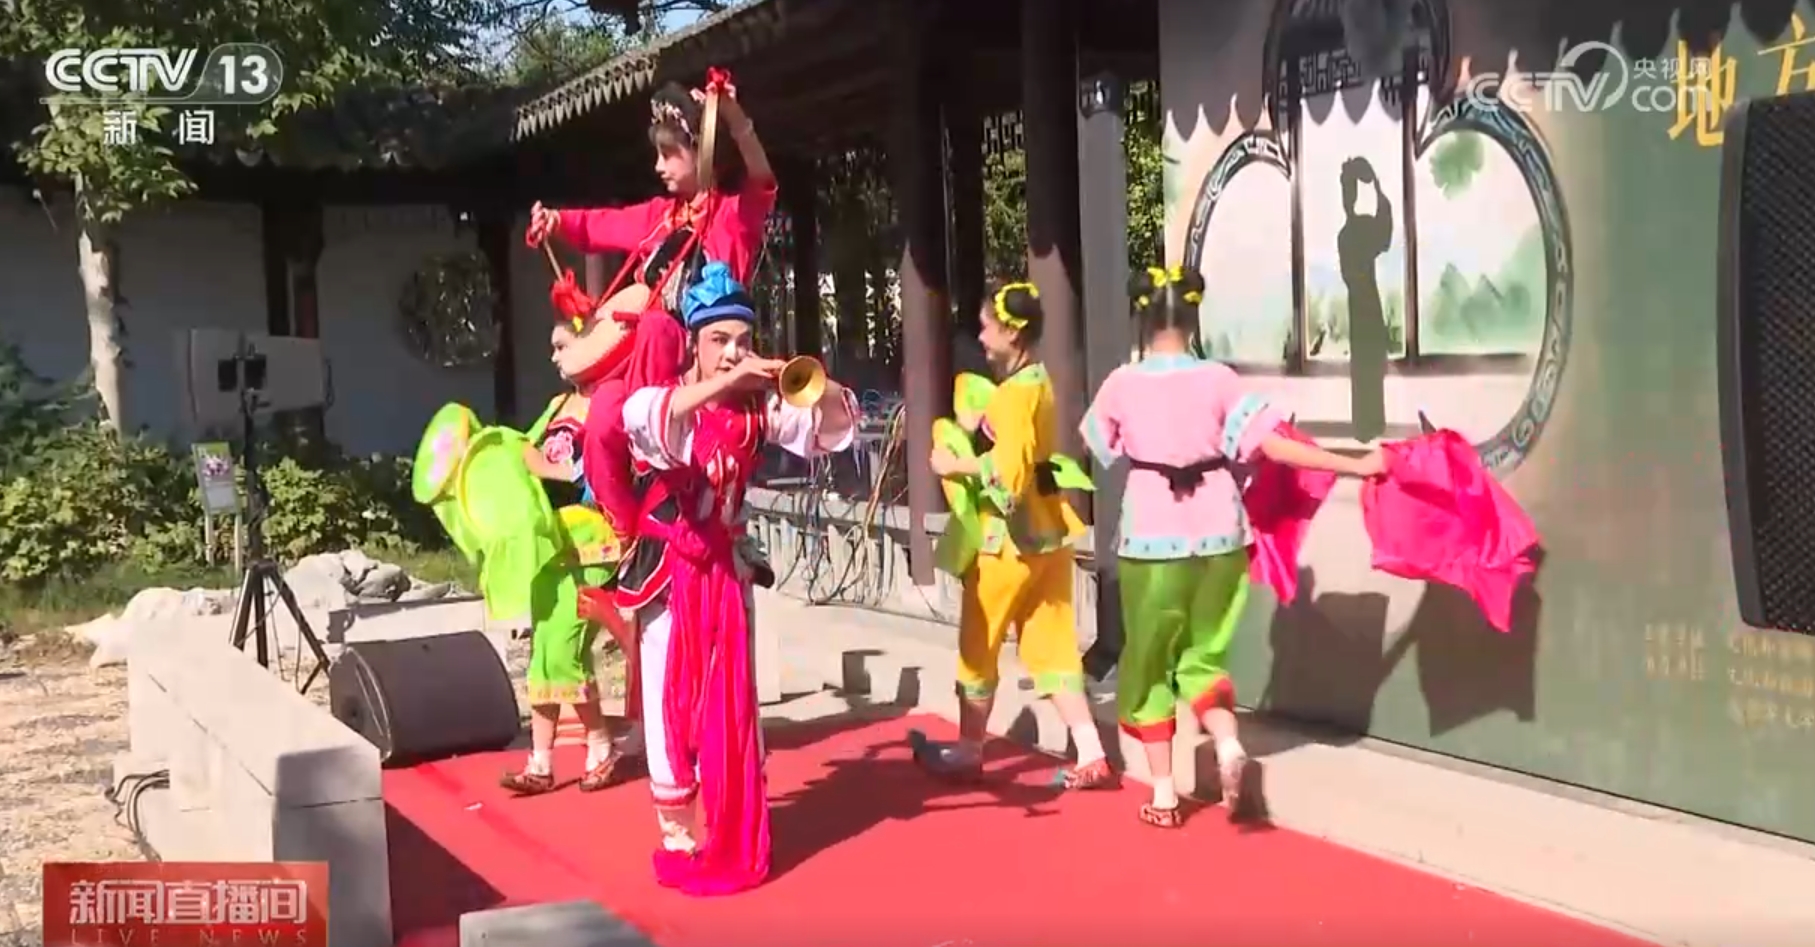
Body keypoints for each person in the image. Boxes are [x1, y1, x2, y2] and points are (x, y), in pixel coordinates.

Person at [1080, 265, 1384, 828]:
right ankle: (1226, 743)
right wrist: (1356, 464)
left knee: (1149, 665)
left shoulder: (1123, 383)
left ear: (1142, 319)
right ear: (1193, 317)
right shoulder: (1220, 379)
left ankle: (1165, 797)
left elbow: (1098, 442)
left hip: (1152, 541)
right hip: (1222, 537)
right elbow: (1274, 446)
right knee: (1204, 659)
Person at [620, 261, 858, 895]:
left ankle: (729, 819)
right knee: (670, 697)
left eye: (743, 341)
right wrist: (724, 382)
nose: (732, 352)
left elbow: (830, 427)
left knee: (732, 700)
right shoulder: (662, 399)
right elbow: (650, 424)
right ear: (693, 344)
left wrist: (809, 381)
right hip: (669, 569)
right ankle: (677, 828)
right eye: (718, 340)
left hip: (726, 569)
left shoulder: (757, 408)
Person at [919, 281, 1116, 790]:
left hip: (1004, 542)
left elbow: (1007, 476)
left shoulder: (1010, 395)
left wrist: (955, 463)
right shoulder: (1039, 381)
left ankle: (969, 749)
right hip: (1049, 533)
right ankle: (1091, 750)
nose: (982, 338)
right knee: (1053, 645)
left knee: (978, 643)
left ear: (1011, 332)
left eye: (987, 327)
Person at [494, 300, 689, 796]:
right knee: (544, 650)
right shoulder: (558, 406)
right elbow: (527, 455)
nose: (555, 357)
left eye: (562, 346)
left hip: (594, 543)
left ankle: (600, 745)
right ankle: (540, 761)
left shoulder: (613, 402)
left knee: (565, 648)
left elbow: (604, 473)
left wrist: (543, 467)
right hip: (551, 542)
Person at [524, 68, 775, 320]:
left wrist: (735, 118)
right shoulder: (659, 217)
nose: (658, 166)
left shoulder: (732, 217)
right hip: (655, 339)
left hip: (714, 339)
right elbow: (600, 224)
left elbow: (761, 179)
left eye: (667, 154)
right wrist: (556, 220)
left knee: (654, 325)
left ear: (701, 152)